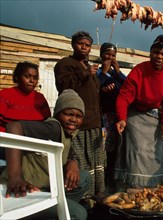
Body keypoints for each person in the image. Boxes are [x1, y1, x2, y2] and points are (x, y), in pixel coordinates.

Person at [0, 89, 91, 220]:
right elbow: (13, 127)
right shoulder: (52, 128)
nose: (73, 119)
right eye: (68, 114)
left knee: (85, 178)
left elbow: (66, 150)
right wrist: (15, 177)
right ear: (58, 114)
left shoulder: (68, 132)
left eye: (78, 116)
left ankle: (57, 210)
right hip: (23, 189)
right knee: (78, 213)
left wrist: (72, 162)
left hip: (45, 184)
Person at [114, 34, 163, 189]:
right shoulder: (139, 71)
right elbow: (124, 97)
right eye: (156, 52)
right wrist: (122, 118)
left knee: (160, 148)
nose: (159, 56)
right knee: (139, 149)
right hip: (136, 113)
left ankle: (156, 185)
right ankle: (136, 185)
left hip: (155, 114)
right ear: (150, 53)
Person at [54, 31, 105, 199]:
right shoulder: (65, 64)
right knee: (80, 162)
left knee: (96, 161)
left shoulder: (87, 65)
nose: (84, 47)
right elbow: (64, 87)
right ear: (73, 44)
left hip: (94, 123)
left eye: (87, 45)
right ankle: (82, 198)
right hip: (78, 125)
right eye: (80, 43)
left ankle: (97, 196)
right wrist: (85, 74)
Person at [0, 61, 51, 159]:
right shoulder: (5, 95)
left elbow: (47, 123)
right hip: (7, 145)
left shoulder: (40, 98)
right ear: (17, 78)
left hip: (34, 147)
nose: (32, 80)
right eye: (27, 76)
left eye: (35, 78)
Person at [96, 42, 126, 191]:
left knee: (116, 150)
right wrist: (104, 73)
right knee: (103, 149)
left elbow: (127, 87)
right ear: (101, 55)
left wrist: (118, 71)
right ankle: (102, 182)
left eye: (113, 55)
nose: (110, 57)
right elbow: (94, 88)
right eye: (107, 54)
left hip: (117, 118)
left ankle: (113, 181)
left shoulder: (117, 75)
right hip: (103, 118)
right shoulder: (96, 73)